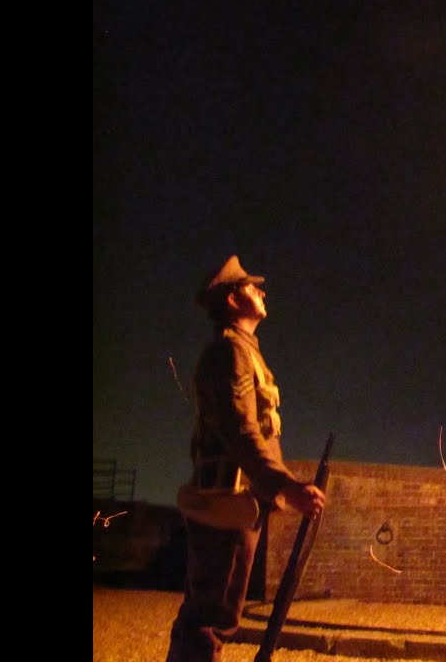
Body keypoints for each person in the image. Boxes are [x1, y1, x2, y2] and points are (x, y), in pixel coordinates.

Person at [166, 255, 327, 662]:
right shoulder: (230, 352)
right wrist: (286, 485)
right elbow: (241, 431)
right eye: (253, 287)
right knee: (210, 618)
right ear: (234, 301)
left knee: (207, 614)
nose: (262, 291)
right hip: (227, 502)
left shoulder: (241, 351)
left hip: (236, 499)